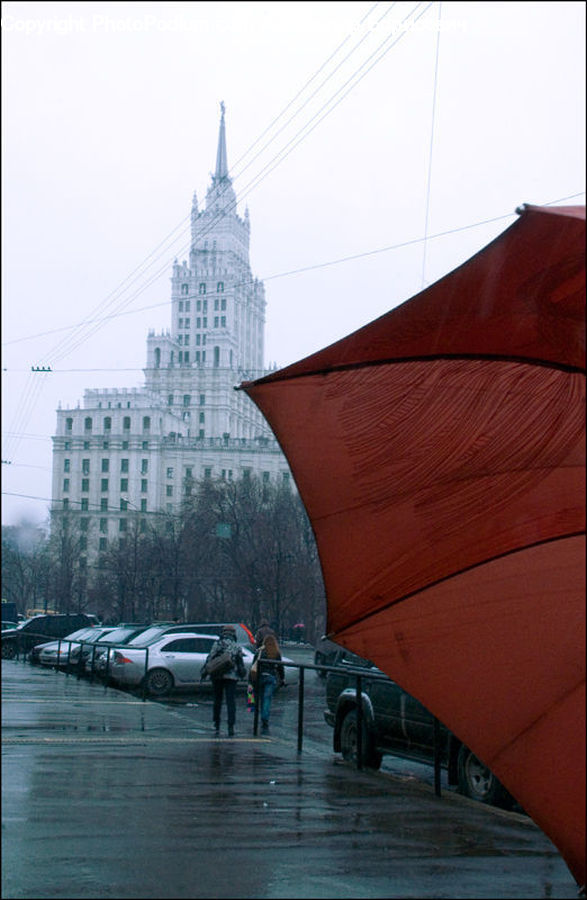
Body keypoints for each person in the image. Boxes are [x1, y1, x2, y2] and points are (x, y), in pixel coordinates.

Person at [201, 625, 247, 737]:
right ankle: (231, 726)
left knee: (217, 700)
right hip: (232, 677)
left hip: (217, 676)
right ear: (233, 634)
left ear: (223, 633)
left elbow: (210, 658)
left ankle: (216, 723)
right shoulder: (236, 646)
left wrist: (205, 671)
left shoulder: (218, 644)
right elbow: (240, 663)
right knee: (231, 701)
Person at [251, 633, 285, 733]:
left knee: (261, 698)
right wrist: (282, 678)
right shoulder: (276, 652)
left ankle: (260, 716)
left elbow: (254, 664)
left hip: (260, 677)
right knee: (267, 699)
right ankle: (265, 718)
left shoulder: (260, 651)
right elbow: (280, 667)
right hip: (271, 677)